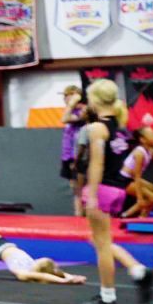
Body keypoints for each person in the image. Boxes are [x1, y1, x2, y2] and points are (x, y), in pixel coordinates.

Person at [79, 79, 153, 304]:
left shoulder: (96, 128)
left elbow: (96, 163)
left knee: (101, 245)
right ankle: (137, 270)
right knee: (99, 240)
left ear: (94, 100)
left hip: (102, 188)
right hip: (117, 189)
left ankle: (108, 296)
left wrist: (91, 194)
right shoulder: (118, 128)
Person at [60, 85, 88, 216]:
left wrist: (72, 104)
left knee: (81, 188)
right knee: (75, 189)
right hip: (68, 156)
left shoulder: (84, 110)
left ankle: (83, 215)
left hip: (78, 156)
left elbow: (64, 119)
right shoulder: (70, 111)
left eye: (69, 95)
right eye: (65, 96)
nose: (66, 99)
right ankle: (78, 214)